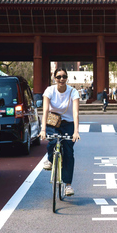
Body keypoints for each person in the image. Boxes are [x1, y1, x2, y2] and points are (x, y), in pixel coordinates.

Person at [40, 68, 81, 196]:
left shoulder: (73, 92)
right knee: (52, 141)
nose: (61, 79)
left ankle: (68, 185)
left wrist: (76, 131)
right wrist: (43, 129)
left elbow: (75, 112)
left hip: (68, 124)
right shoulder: (49, 90)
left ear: (67, 78)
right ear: (54, 78)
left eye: (64, 76)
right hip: (52, 122)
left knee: (68, 152)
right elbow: (45, 110)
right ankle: (51, 160)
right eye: (58, 77)